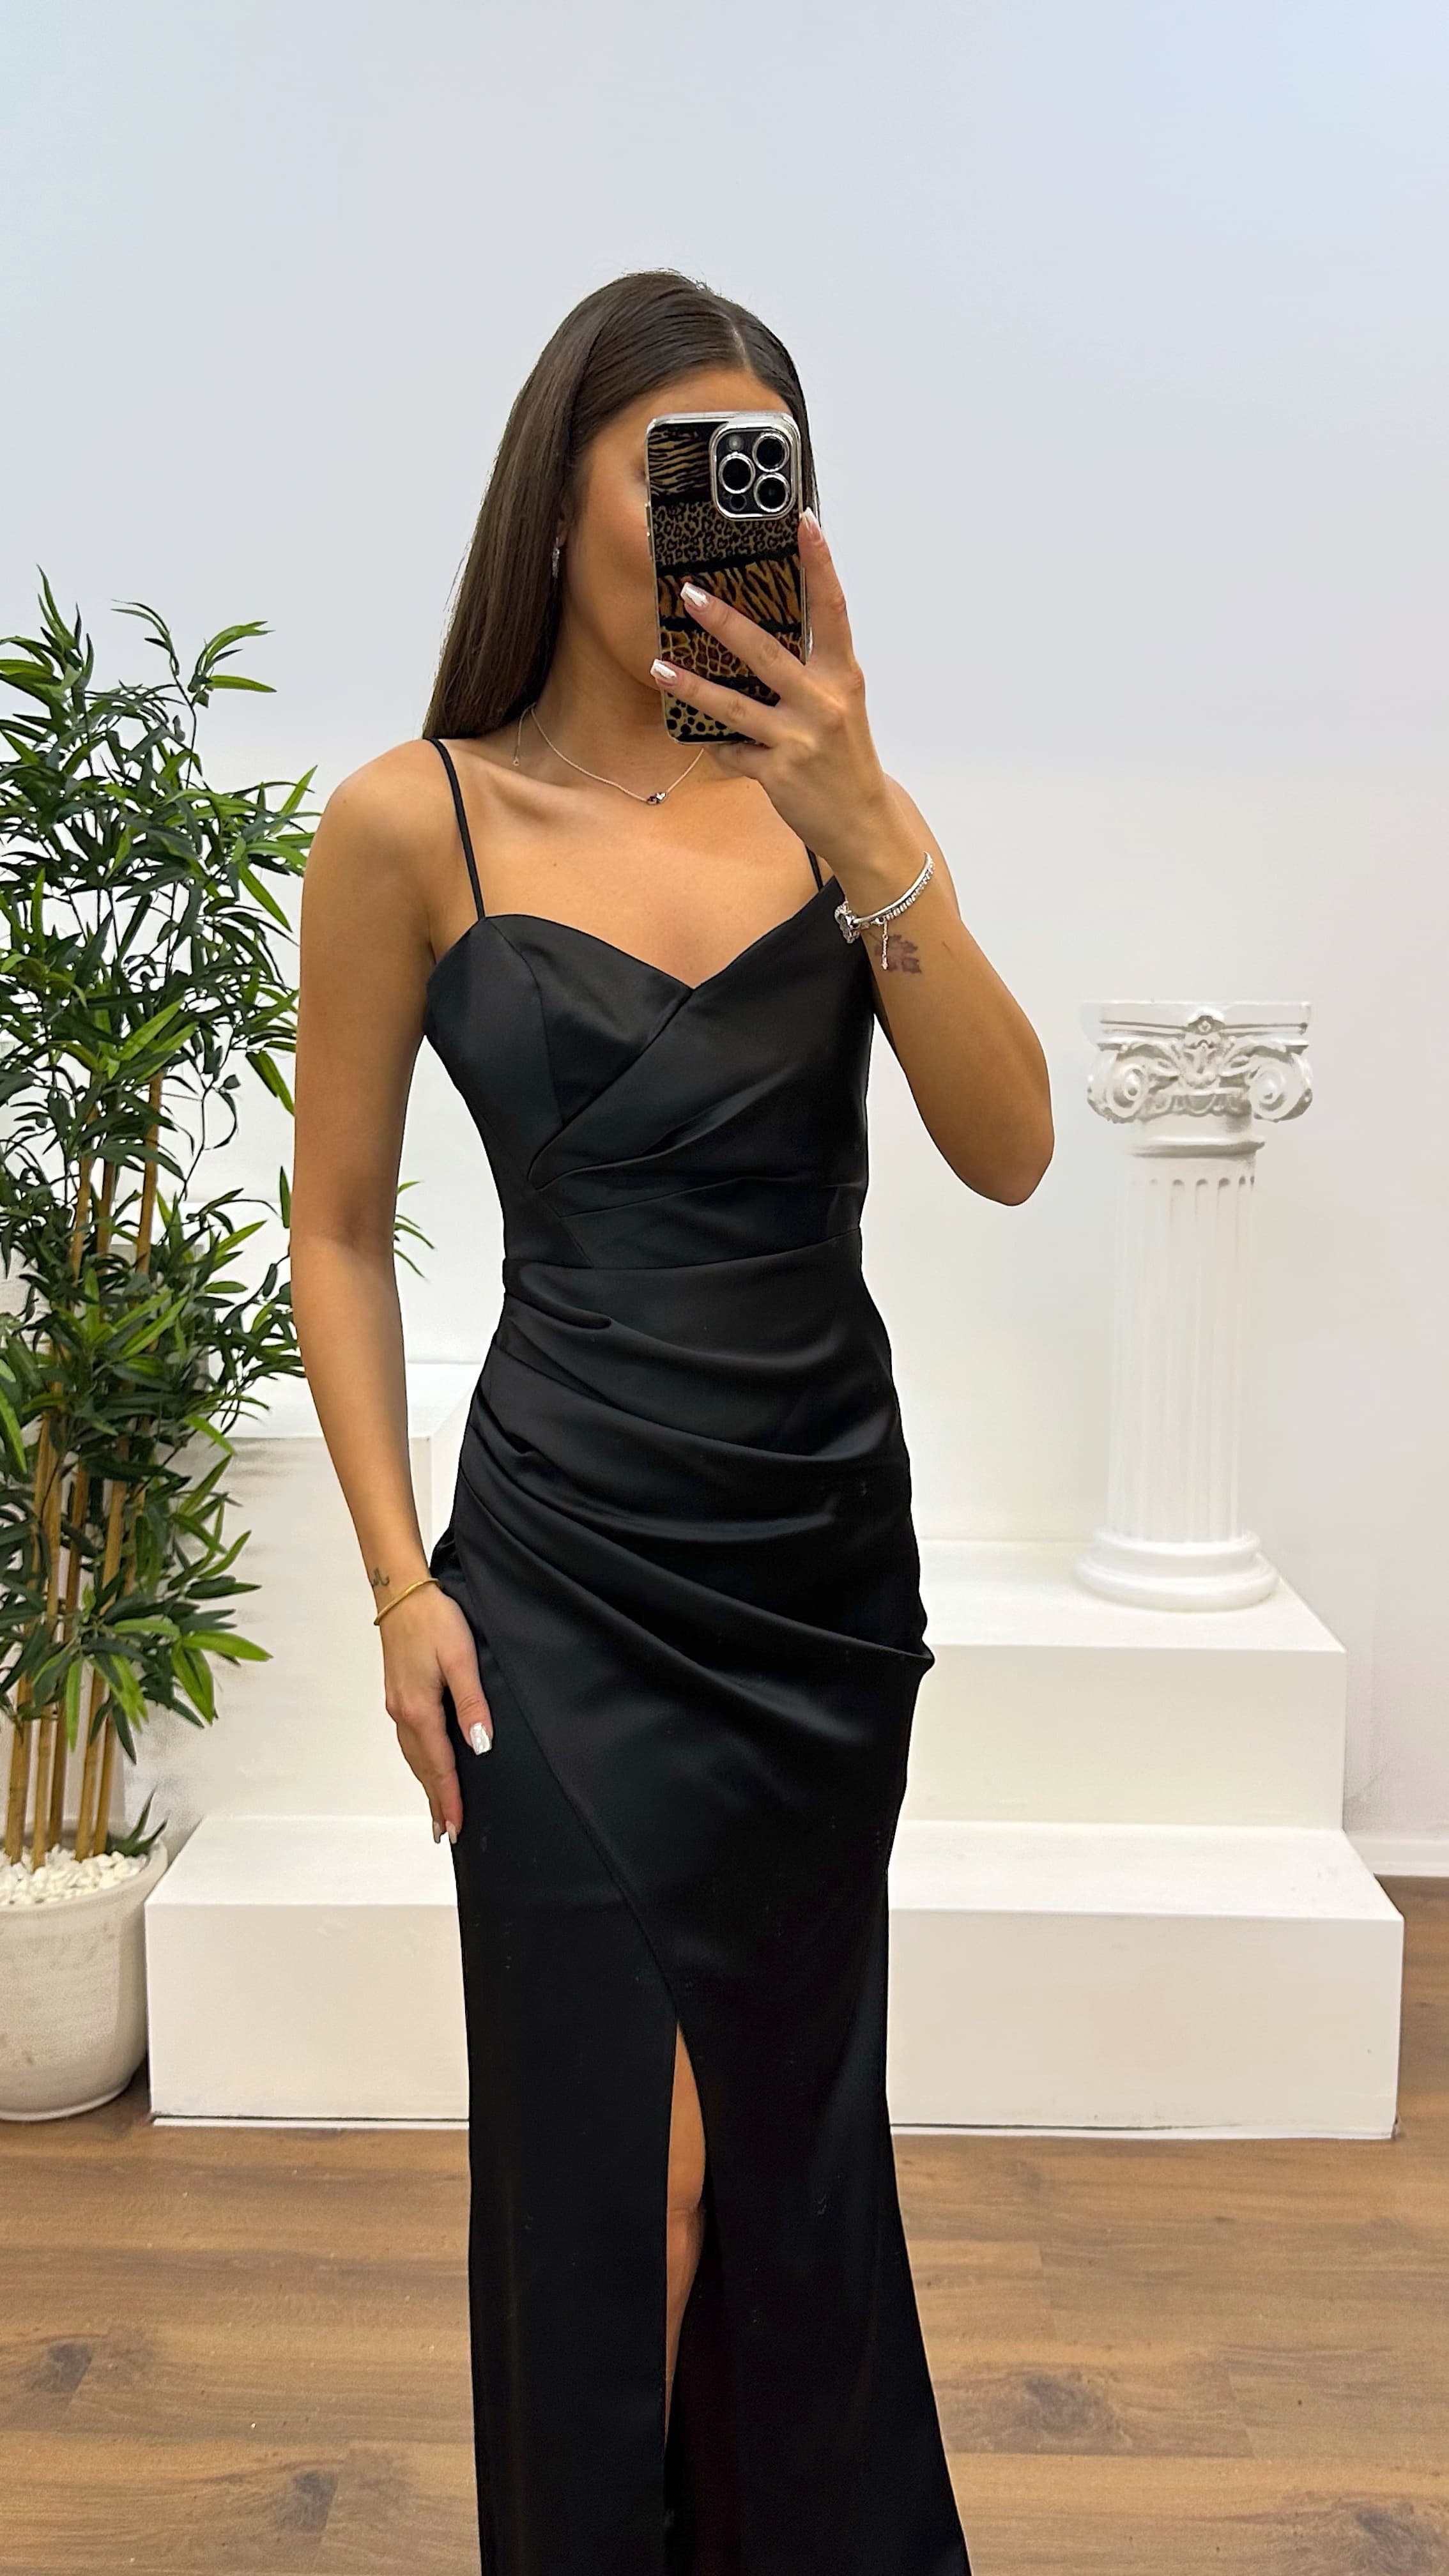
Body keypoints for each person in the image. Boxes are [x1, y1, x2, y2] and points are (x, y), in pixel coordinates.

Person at [291, 268, 1052, 2575]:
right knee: (623, 2184)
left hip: (813, 1581)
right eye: (676, 471)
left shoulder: (834, 819)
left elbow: (1009, 1148)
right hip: (559, 1584)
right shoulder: (411, 822)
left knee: (781, 2166)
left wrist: (865, 816)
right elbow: (335, 1226)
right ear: (560, 502)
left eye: (764, 482)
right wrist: (397, 1586)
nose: (724, 522)